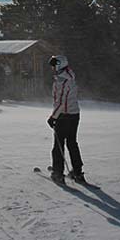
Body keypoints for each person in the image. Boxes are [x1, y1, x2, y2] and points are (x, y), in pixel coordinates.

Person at [47, 55, 85, 184]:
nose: (52, 68)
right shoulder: (69, 76)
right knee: (72, 143)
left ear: (59, 65)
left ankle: (58, 173)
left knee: (58, 145)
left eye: (53, 65)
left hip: (64, 116)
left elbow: (61, 102)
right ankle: (77, 171)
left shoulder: (62, 80)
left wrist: (53, 117)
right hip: (74, 115)